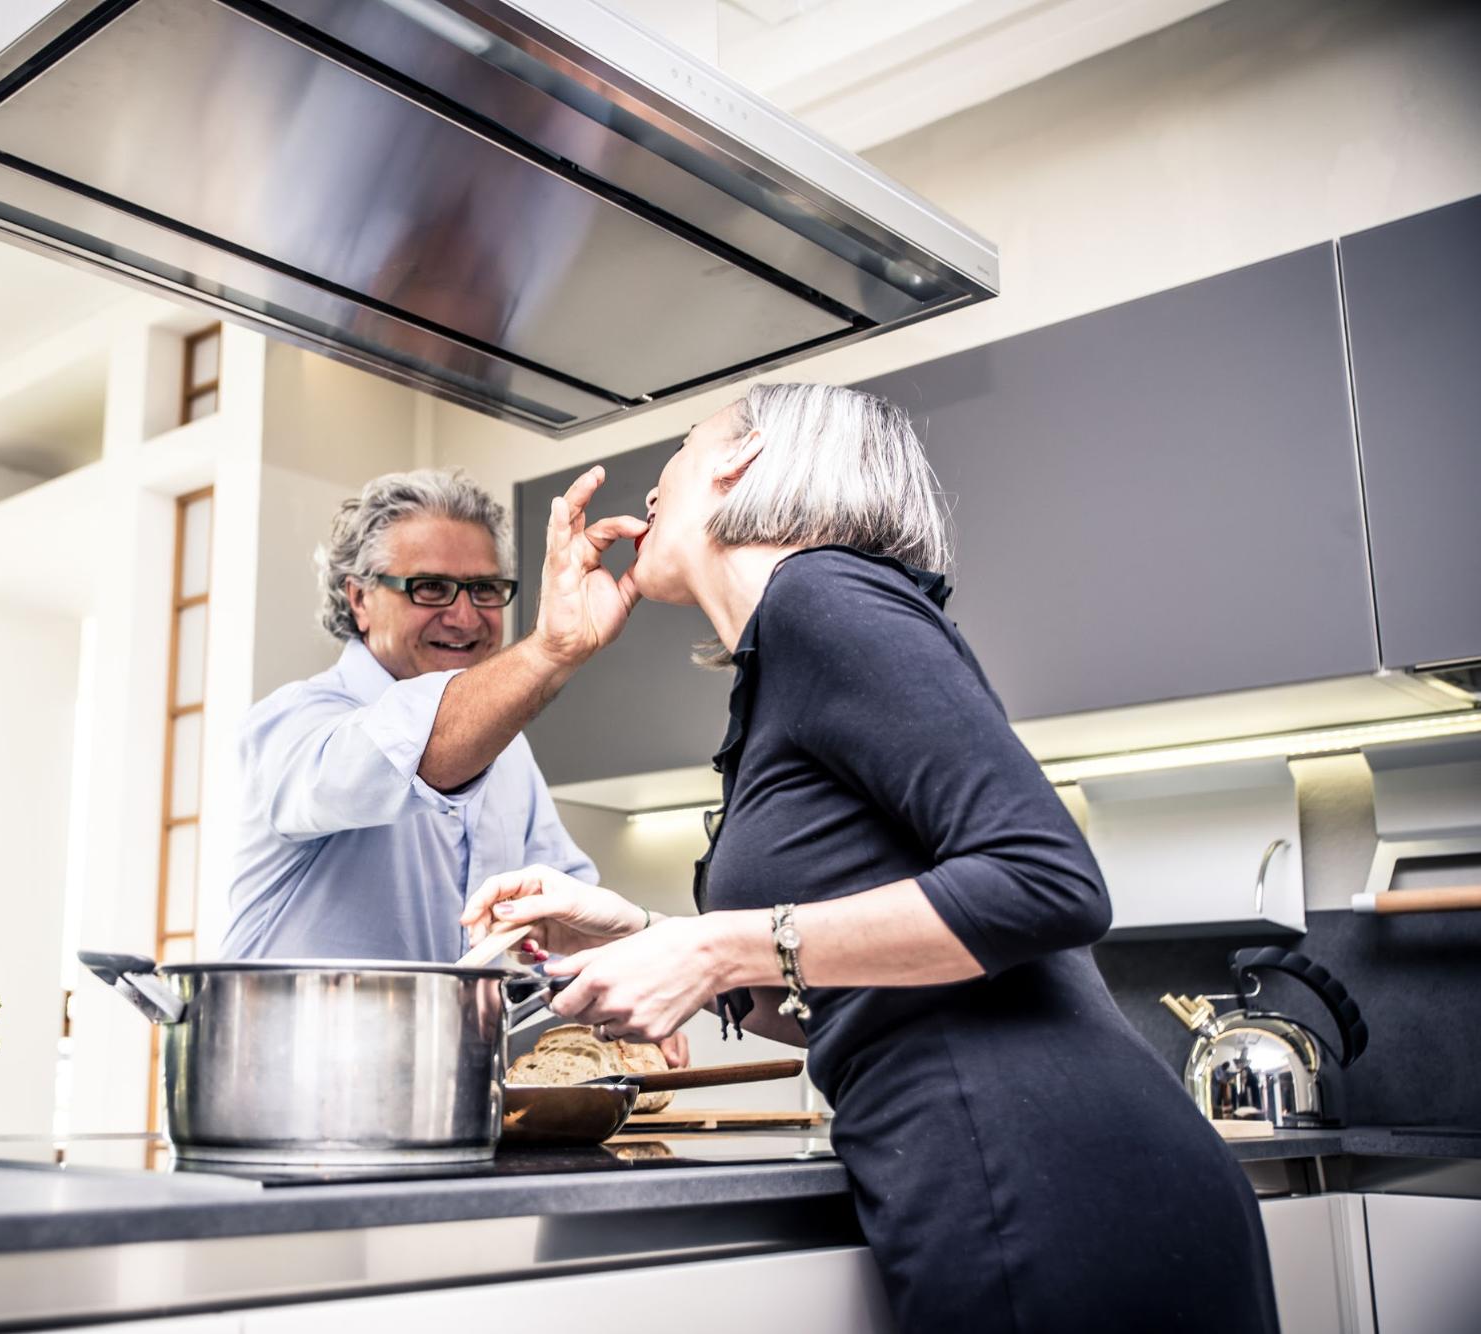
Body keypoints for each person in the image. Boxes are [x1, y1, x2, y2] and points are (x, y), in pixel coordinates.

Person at [460, 383, 1278, 1333]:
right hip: (1034, 1173)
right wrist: (649, 937)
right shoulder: (786, 654)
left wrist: (714, 949)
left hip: (1041, 1180)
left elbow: (1046, 883)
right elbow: (863, 991)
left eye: (683, 445)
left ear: (742, 460)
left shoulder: (821, 595)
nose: (657, 481)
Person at [221, 467, 635, 964]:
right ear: (360, 599)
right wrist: (550, 650)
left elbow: (569, 909)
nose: (464, 617)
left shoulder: (508, 750)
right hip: (287, 1043)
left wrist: (634, 970)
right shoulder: (292, 723)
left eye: (484, 589)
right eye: (431, 588)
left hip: (452, 1041)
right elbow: (411, 751)